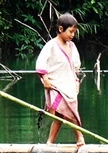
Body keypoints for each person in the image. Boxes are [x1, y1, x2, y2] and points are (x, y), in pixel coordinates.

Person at [36, 13, 85, 146]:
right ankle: (79, 138)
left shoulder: (72, 47)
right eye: (70, 31)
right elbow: (41, 63)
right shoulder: (51, 45)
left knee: (68, 114)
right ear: (61, 29)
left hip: (69, 86)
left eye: (74, 32)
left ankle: (52, 142)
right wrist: (45, 79)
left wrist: (76, 81)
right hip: (56, 85)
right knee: (60, 112)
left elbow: (75, 67)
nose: (72, 35)